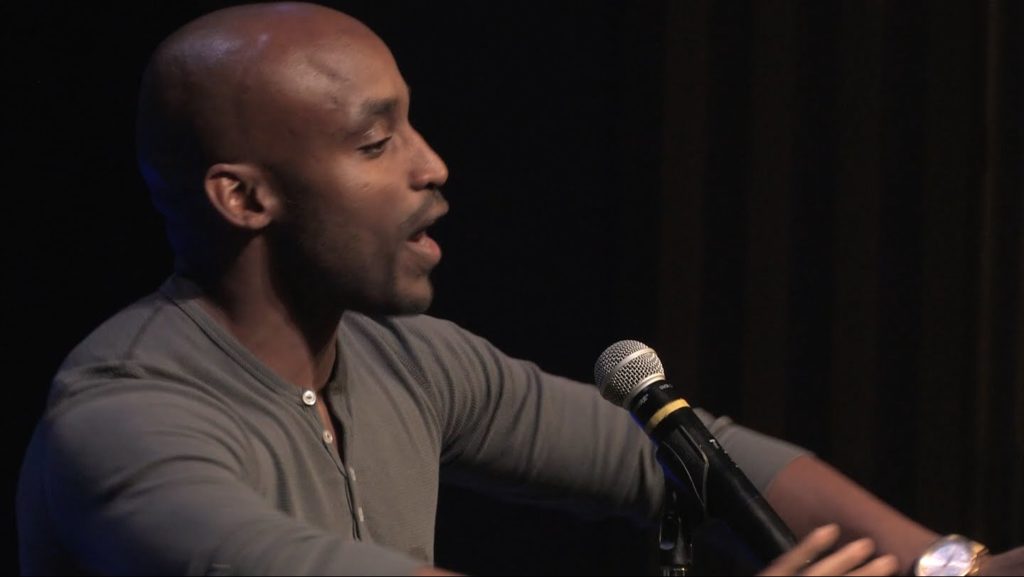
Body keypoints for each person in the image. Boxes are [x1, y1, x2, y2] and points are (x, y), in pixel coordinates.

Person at [14, 3, 1022, 576]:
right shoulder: (127, 424)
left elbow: (688, 459)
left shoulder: (402, 361)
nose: (431, 164)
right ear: (244, 196)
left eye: (412, 126)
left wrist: (949, 567)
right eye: (376, 142)